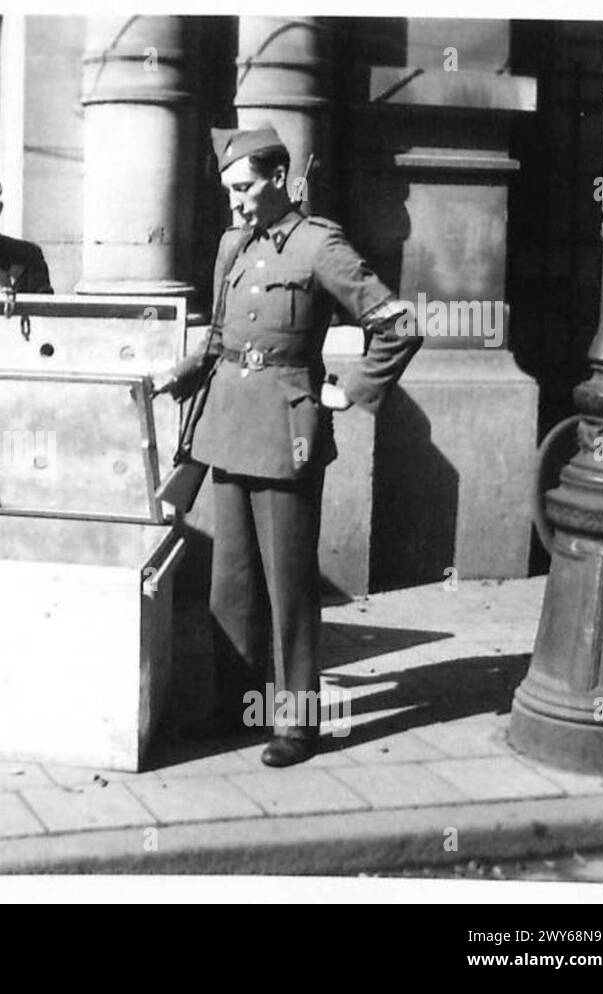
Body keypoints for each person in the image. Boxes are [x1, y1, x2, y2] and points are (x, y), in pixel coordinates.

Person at [156, 126, 420, 768]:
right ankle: (235, 707)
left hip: (285, 431)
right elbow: (222, 334)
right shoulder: (230, 245)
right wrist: (184, 372)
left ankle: (298, 725)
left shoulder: (319, 245)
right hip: (227, 422)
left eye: (244, 189)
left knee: (289, 588)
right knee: (232, 583)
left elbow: (400, 324)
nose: (236, 204)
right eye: (229, 192)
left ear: (278, 179)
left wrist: (350, 390)